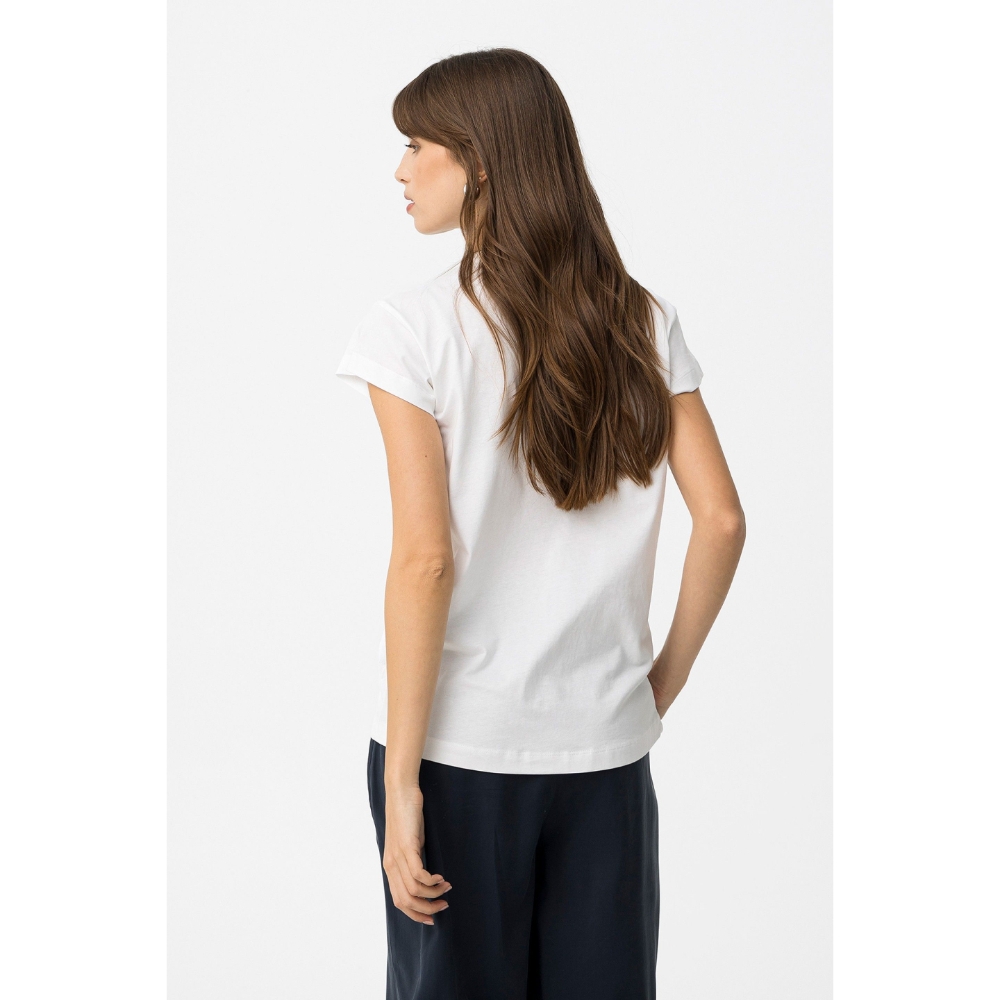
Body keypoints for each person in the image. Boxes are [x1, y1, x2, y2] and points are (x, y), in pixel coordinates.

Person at [336, 47, 745, 1000]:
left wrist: (402, 784)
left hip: (460, 752)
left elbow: (425, 561)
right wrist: (658, 688)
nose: (400, 170)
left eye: (417, 146)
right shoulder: (641, 319)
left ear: (478, 162)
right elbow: (722, 520)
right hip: (605, 749)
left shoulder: (413, 329)